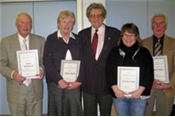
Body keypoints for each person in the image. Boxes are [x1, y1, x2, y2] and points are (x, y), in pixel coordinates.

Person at [78, 3, 120, 116]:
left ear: (103, 16)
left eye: (99, 15)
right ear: (88, 18)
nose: (96, 18)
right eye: (92, 15)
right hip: (88, 84)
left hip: (107, 85)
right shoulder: (82, 35)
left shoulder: (115, 33)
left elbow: (120, 58)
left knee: (106, 114)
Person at [0, 12, 45, 116]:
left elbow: (44, 62)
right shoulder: (5, 42)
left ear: (31, 25)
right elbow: (1, 64)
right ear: (16, 25)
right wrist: (13, 74)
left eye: (28, 23)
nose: (25, 25)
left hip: (35, 89)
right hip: (15, 90)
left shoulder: (40, 41)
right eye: (22, 22)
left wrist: (42, 70)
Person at [105, 23, 154, 116]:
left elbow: (149, 74)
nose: (128, 38)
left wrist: (139, 91)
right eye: (126, 35)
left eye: (132, 35)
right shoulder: (114, 52)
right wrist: (116, 91)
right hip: (119, 96)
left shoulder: (144, 52)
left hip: (139, 97)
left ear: (137, 37)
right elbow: (109, 73)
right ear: (121, 36)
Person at [43, 10, 83, 116]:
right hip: (56, 83)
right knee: (57, 110)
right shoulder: (51, 39)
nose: (67, 25)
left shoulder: (78, 39)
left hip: (74, 83)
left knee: (73, 109)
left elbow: (84, 62)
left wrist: (79, 81)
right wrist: (59, 80)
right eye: (64, 21)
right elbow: (47, 61)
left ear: (73, 25)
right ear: (58, 23)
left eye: (70, 22)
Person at [142, 13, 175, 116]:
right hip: (148, 87)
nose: (158, 26)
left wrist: (169, 84)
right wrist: (148, 81)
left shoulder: (174, 43)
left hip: (167, 88)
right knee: (145, 114)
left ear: (165, 26)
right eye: (155, 23)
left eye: (161, 23)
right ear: (152, 26)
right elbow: (141, 66)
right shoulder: (143, 43)